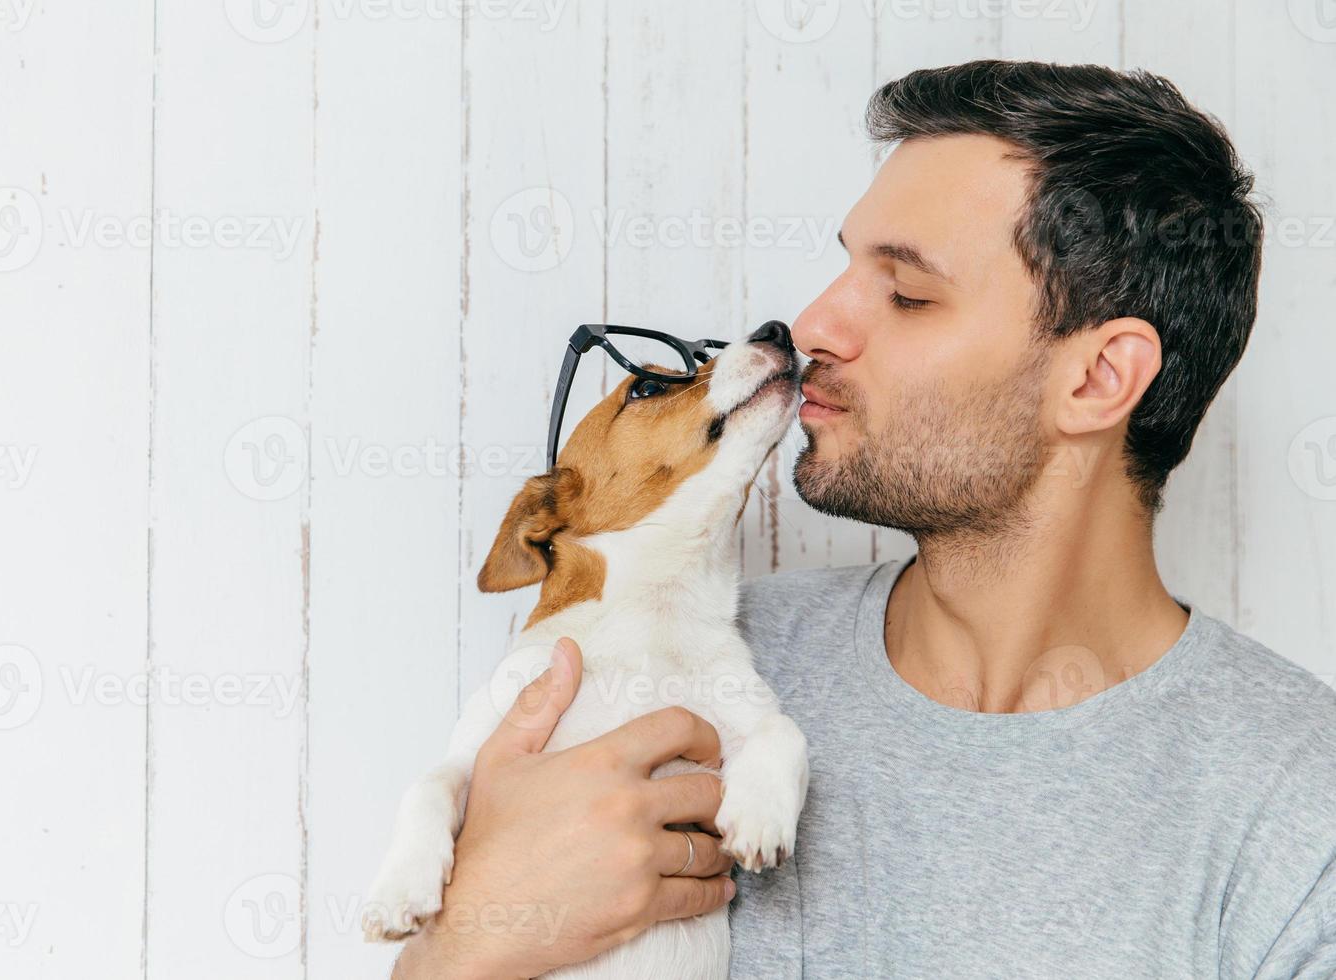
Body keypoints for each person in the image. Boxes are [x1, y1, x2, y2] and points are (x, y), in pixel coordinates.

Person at [394, 60, 1336, 978]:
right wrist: (469, 945)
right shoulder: (680, 668)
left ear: (1097, 379)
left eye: (908, 294)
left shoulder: (1296, 803)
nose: (811, 328)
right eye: (845, 268)